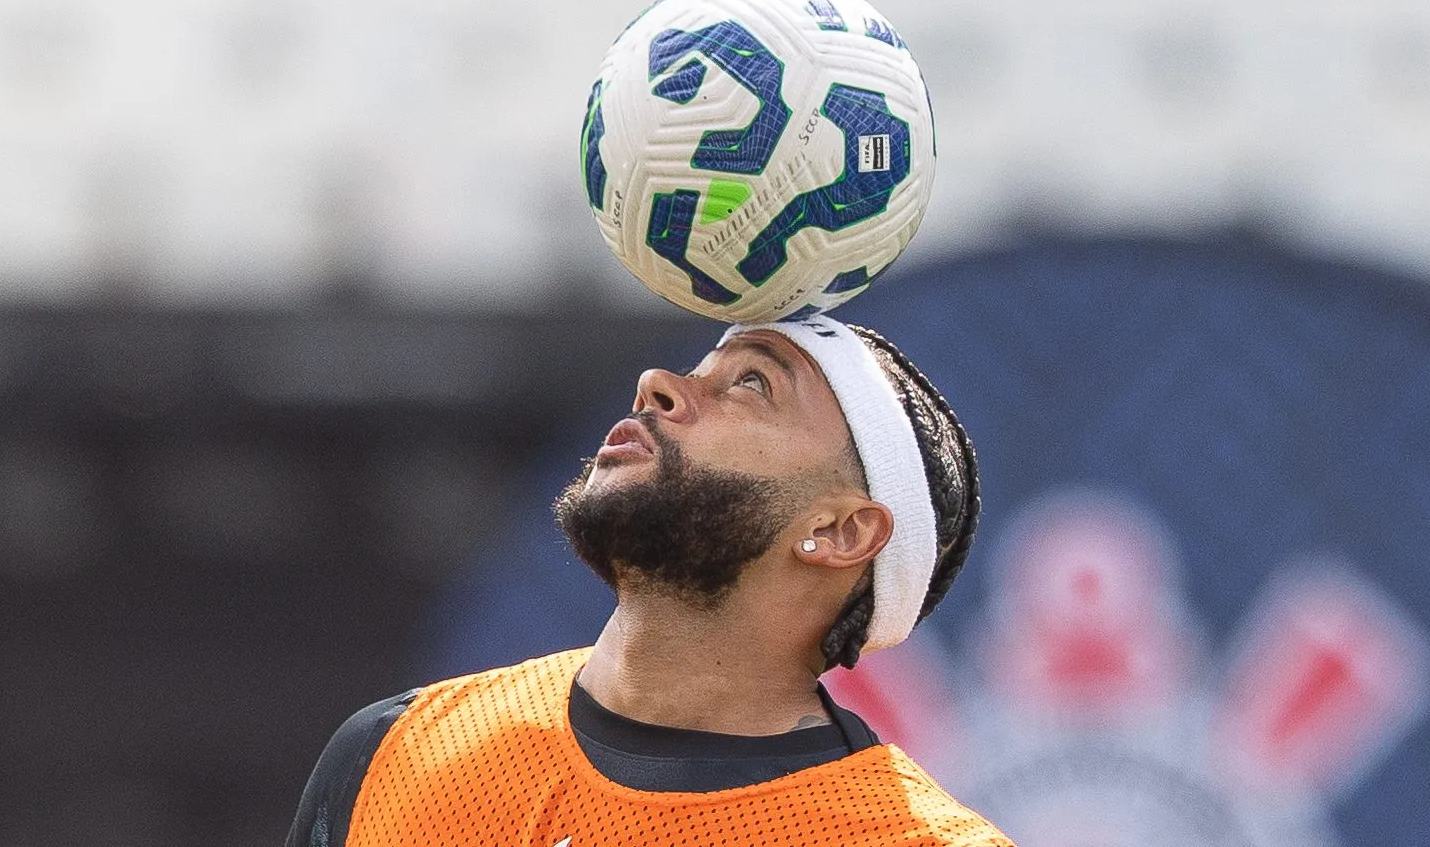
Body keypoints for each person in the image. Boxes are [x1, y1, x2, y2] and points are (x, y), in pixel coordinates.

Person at [286, 314, 1013, 846]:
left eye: (752, 384)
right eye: (699, 366)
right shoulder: (392, 749)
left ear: (842, 532)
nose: (658, 384)